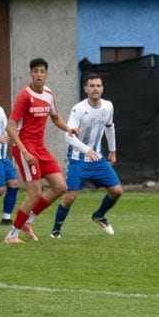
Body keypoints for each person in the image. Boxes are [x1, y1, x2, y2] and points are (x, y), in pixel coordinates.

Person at [4, 58, 81, 244]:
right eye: (35, 71)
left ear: (46, 74)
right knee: (35, 193)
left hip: (40, 147)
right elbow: (10, 126)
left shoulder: (48, 94)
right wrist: (24, 152)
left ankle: (27, 221)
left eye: (42, 71)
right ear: (30, 73)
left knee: (60, 187)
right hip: (24, 147)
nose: (39, 75)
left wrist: (68, 128)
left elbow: (55, 117)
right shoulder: (25, 96)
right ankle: (12, 234)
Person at [50, 73, 122, 239]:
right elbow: (68, 136)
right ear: (86, 89)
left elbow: (110, 127)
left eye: (98, 85)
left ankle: (99, 215)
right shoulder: (79, 109)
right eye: (92, 86)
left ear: (102, 88)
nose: (95, 89)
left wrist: (113, 151)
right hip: (78, 159)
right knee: (70, 196)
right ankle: (56, 231)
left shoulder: (108, 106)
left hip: (97, 159)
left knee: (117, 191)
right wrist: (86, 150)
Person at [0, 82, 20, 225]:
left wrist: (14, 136)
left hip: (3, 156)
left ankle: (6, 218)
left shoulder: (0, 109)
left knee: (14, 184)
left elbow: (5, 129)